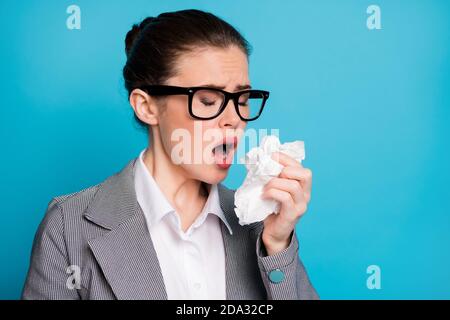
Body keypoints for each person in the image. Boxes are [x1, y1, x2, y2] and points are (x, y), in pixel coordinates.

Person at [22, 9, 318, 300]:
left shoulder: (259, 224)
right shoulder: (68, 226)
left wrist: (277, 246)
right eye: (207, 99)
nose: (233, 118)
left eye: (241, 99)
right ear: (147, 107)